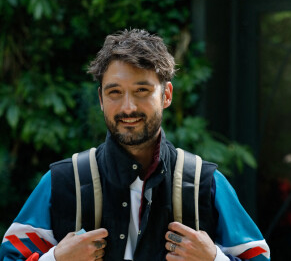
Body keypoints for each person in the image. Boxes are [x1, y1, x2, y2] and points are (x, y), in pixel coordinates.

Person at [0, 29, 270, 261]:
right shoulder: (62, 181)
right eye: (115, 92)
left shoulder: (204, 183)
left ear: (166, 95)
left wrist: (213, 258)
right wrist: (56, 258)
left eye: (142, 91)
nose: (127, 107)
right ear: (101, 99)